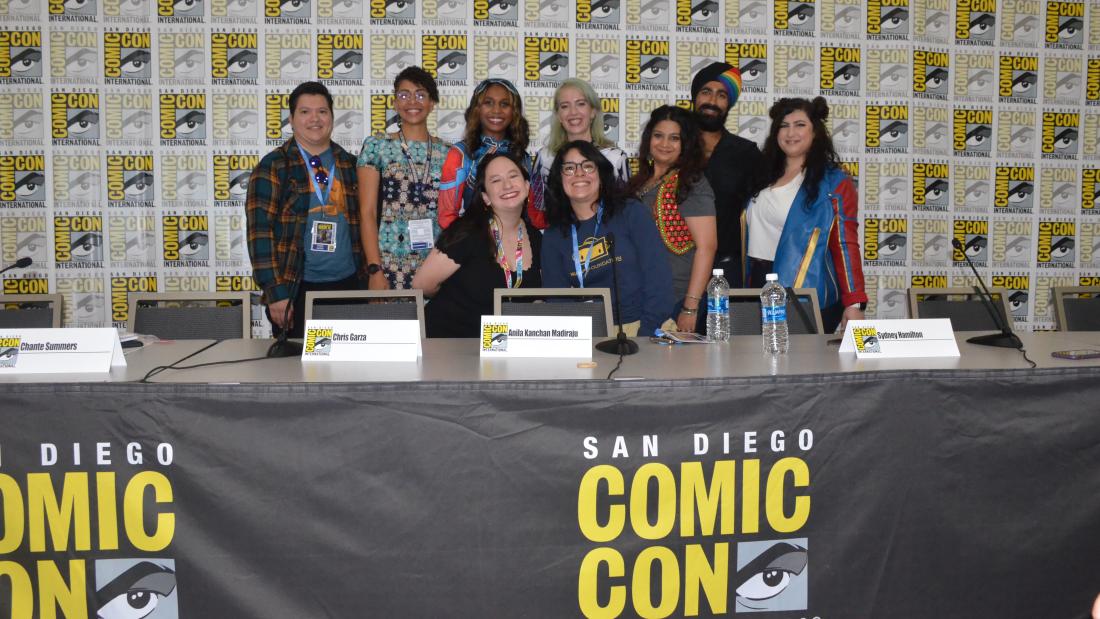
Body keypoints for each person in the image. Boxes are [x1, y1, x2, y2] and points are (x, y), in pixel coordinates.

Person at [246, 81, 364, 339]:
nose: (315, 119)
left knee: (350, 372)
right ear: (291, 119)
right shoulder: (273, 166)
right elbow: (260, 234)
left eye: (322, 111)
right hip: (295, 290)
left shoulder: (351, 164)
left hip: (350, 287)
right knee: (298, 374)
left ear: (332, 117)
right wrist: (276, 293)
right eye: (305, 112)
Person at [744, 96, 867, 334]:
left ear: (816, 133)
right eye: (784, 125)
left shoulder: (834, 182)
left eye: (800, 125)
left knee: (800, 367)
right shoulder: (762, 174)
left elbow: (845, 244)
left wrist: (855, 302)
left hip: (803, 292)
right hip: (755, 284)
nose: (791, 133)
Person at [541, 140, 672, 337]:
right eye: (569, 168)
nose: (579, 173)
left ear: (601, 175)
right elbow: (557, 300)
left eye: (587, 166)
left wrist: (645, 334)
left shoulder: (630, 212)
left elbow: (658, 278)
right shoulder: (554, 235)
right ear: (559, 179)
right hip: (588, 334)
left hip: (643, 326)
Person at [413, 153, 542, 338]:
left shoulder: (537, 238)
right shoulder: (466, 232)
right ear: (485, 197)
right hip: (448, 345)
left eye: (513, 176)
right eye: (496, 180)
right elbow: (422, 284)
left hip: (500, 345)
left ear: (527, 186)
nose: (507, 185)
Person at [356, 67, 452, 290]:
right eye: (404, 94)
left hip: (436, 264)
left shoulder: (448, 152)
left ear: (432, 102)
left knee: (433, 325)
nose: (412, 101)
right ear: (395, 103)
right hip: (388, 264)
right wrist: (374, 269)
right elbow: (367, 212)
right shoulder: (376, 146)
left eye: (420, 94)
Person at [626, 105, 717, 333]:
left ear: (686, 144)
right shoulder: (639, 183)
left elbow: (707, 247)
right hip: (642, 298)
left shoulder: (691, 183)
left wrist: (690, 307)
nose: (664, 144)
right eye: (658, 135)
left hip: (675, 299)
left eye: (674, 138)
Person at [691, 61, 763, 286]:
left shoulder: (746, 153)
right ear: (695, 96)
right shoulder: (673, 146)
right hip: (676, 267)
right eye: (706, 92)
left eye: (721, 95)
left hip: (726, 270)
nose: (712, 101)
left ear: (729, 103)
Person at [529, 78, 630, 229]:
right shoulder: (545, 157)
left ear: (593, 111)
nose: (573, 112)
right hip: (559, 241)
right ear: (558, 115)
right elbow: (537, 210)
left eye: (581, 104)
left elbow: (626, 212)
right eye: (565, 106)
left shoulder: (615, 158)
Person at [436, 79, 532, 229]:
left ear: (514, 111)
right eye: (488, 102)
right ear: (477, 109)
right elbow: (446, 216)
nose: (496, 110)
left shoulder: (522, 156)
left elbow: (529, 215)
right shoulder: (460, 154)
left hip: (516, 246)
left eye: (504, 104)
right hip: (475, 245)